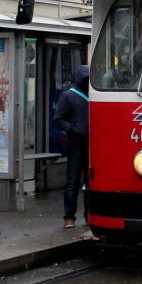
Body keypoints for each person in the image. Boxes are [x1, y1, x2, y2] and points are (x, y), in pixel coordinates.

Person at [54, 65, 90, 229]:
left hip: (92, 144)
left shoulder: (94, 95)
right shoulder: (68, 96)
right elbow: (59, 118)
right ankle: (69, 216)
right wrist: (73, 130)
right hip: (76, 143)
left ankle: (89, 214)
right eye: (86, 79)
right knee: (72, 181)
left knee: (91, 181)